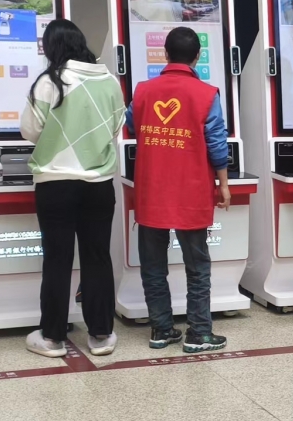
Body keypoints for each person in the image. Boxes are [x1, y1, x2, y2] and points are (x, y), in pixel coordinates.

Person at [21, 20, 125, 358]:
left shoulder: (49, 81)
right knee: (97, 257)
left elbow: (30, 131)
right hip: (98, 184)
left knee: (57, 258)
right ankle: (101, 335)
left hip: (55, 184)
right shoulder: (109, 80)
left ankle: (52, 337)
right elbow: (115, 126)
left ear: (53, 48)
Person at [129, 26, 231, 353]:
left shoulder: (144, 91)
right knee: (197, 265)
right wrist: (224, 184)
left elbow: (132, 124)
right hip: (191, 192)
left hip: (151, 191)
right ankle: (199, 333)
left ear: (165, 54)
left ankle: (161, 329)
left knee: (153, 265)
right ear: (197, 57)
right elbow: (216, 144)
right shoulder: (206, 94)